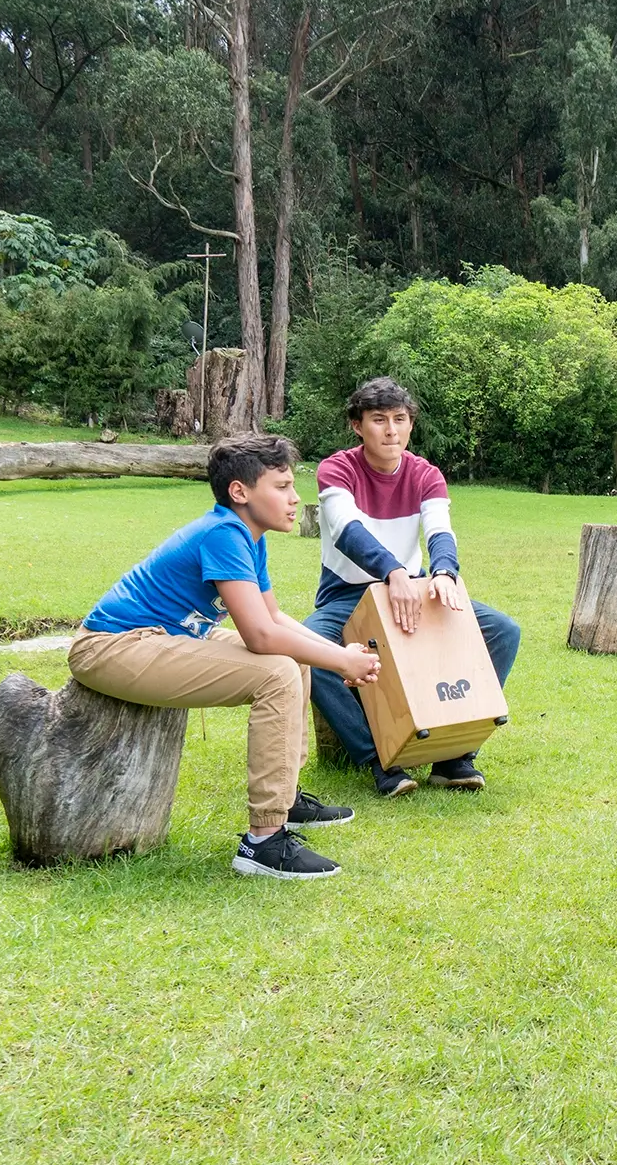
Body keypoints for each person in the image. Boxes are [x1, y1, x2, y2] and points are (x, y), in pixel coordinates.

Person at [68, 433, 378, 881]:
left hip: (165, 637)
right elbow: (260, 635)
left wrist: (335, 653)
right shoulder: (224, 533)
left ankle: (286, 798)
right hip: (114, 646)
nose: (295, 499)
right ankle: (263, 843)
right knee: (277, 672)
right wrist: (343, 663)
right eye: (283, 486)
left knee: (298, 659)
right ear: (241, 492)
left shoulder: (249, 536)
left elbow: (272, 617)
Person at [304, 377, 522, 796]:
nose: (391, 430)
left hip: (413, 590)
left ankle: (454, 754)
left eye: (400, 420)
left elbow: (440, 529)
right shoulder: (337, 469)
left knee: (502, 630)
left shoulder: (426, 474)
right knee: (311, 648)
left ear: (410, 425)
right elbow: (347, 530)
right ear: (357, 426)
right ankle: (380, 759)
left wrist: (443, 572)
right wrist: (394, 572)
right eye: (379, 420)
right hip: (348, 594)